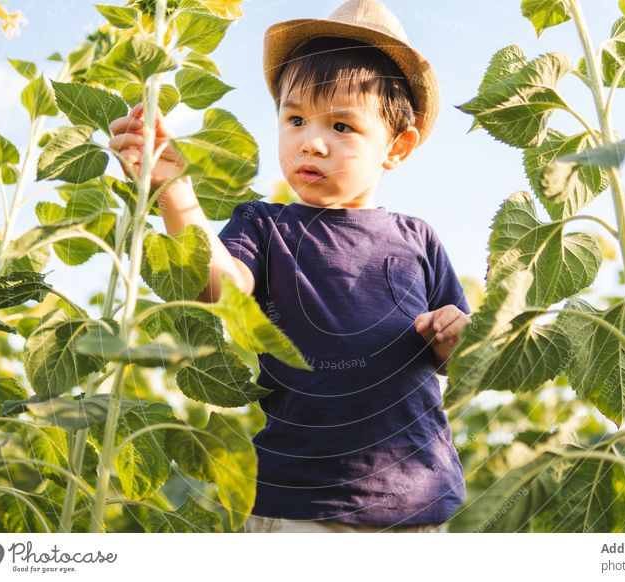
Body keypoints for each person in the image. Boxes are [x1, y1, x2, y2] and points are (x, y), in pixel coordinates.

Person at [108, 0, 471, 533]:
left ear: (398, 146)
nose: (312, 141)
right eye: (295, 119)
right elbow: (220, 290)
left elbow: (457, 350)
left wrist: (452, 335)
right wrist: (174, 190)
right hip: (297, 500)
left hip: (415, 496)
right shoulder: (265, 225)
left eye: (343, 126)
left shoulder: (418, 238)